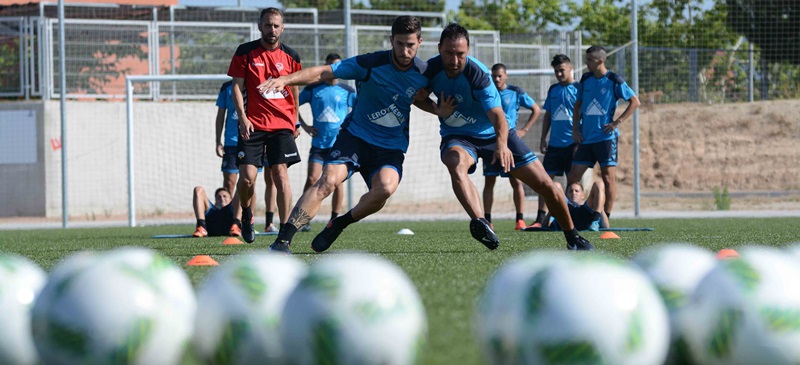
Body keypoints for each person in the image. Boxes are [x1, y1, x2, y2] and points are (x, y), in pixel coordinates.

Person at [415, 23, 594, 251]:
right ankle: (481, 223)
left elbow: (499, 117)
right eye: (449, 53)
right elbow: (415, 97)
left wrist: (501, 146)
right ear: (439, 48)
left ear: (468, 50)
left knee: (547, 186)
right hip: (458, 136)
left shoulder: (477, 74)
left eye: (460, 54)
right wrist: (437, 110)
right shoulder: (428, 71)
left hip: (494, 133)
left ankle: (573, 237)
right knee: (454, 162)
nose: (455, 60)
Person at [258, 16, 429, 254]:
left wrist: (440, 109)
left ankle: (339, 223)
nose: (404, 50)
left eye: (410, 44)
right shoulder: (370, 63)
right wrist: (286, 79)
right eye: (399, 43)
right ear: (391, 40)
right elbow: (323, 73)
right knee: (327, 181)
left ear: (420, 42)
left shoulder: (425, 73)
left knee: (385, 190)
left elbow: (425, 99)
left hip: (390, 148)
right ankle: (282, 241)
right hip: (355, 137)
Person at [227, 7, 303, 243]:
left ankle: (283, 233)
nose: (272, 29)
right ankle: (247, 214)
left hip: (282, 125)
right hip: (253, 125)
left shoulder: (292, 56)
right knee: (247, 177)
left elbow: (295, 90)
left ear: (283, 27)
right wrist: (242, 117)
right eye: (268, 25)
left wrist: (296, 119)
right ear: (260, 26)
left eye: (276, 25)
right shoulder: (245, 52)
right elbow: (236, 88)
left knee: (281, 176)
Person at [567, 45, 640, 221]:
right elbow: (577, 105)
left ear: (600, 61)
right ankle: (570, 214)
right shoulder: (585, 79)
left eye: (589, 60)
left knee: (608, 179)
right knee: (573, 176)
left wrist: (617, 122)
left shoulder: (615, 80)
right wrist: (575, 129)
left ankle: (605, 217)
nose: (586, 64)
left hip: (606, 138)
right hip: (586, 138)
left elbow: (634, 102)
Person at [295, 53, 357, 232]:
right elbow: (294, 102)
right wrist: (304, 125)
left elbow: (359, 109)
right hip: (319, 145)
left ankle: (333, 220)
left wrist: (346, 125)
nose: (334, 69)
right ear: (326, 67)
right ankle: (302, 218)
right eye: (331, 65)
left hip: (339, 145)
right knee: (312, 178)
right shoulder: (314, 89)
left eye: (337, 66)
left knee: (337, 182)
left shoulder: (347, 91)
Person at [215, 81, 279, 236]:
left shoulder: (258, 84)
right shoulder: (227, 87)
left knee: (251, 181)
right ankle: (231, 223)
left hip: (252, 141)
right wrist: (218, 141)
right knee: (230, 183)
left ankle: (249, 221)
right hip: (231, 142)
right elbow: (221, 115)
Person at [482, 63, 541, 231]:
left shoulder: (516, 92)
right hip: (491, 140)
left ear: (506, 76)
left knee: (516, 180)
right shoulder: (487, 92)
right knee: (489, 180)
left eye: (500, 76)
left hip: (510, 140)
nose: (496, 79)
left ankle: (520, 220)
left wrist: (525, 129)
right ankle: (487, 220)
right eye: (494, 76)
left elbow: (535, 109)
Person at [531, 54, 580, 228]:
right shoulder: (553, 90)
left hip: (573, 144)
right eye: (556, 71)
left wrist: (581, 139)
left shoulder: (579, 88)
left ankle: (574, 215)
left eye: (562, 70)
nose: (559, 74)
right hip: (554, 144)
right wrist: (544, 137)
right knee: (544, 181)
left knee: (573, 181)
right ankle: (540, 218)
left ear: (570, 68)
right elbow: (548, 115)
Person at [542, 181, 609, 231]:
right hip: (566, 211)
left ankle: (595, 221)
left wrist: (600, 207)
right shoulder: (562, 207)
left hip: (585, 213)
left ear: (583, 195)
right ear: (566, 194)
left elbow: (606, 227)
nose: (574, 193)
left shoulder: (589, 207)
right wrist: (552, 209)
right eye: (571, 191)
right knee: (556, 185)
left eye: (577, 191)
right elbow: (545, 226)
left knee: (599, 183)